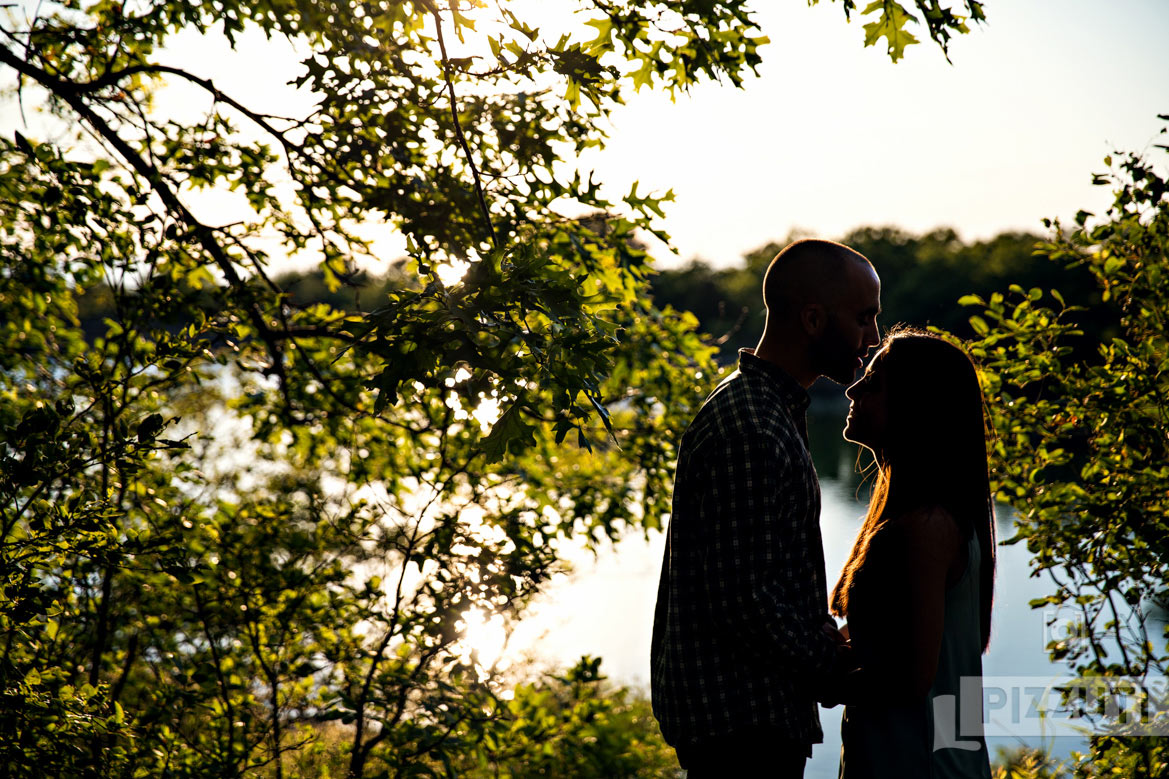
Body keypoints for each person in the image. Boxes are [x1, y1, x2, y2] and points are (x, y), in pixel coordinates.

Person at [651, 239, 882, 777]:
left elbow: (760, 581)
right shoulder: (753, 426)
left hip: (745, 717)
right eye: (863, 317)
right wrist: (843, 670)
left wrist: (817, 627)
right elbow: (744, 600)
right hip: (740, 725)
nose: (872, 338)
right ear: (812, 318)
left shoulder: (765, 410)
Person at [830, 328, 996, 778]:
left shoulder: (924, 528)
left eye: (874, 381)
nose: (853, 388)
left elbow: (909, 680)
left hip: (919, 765)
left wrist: (816, 677)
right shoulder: (940, 521)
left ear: (917, 406)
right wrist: (843, 645)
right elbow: (905, 644)